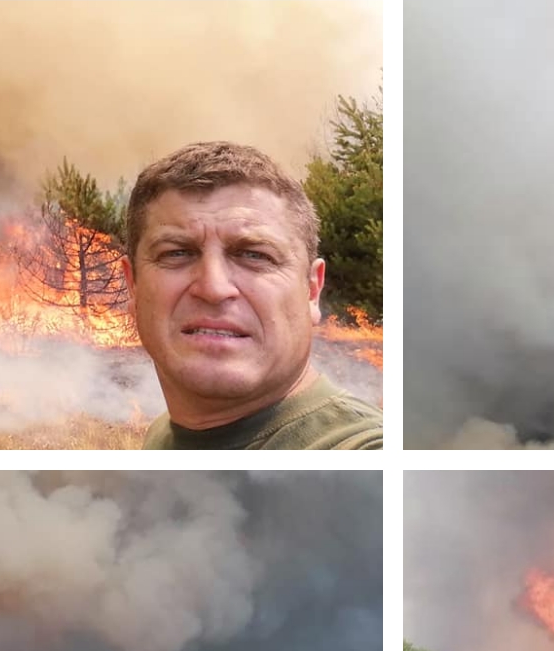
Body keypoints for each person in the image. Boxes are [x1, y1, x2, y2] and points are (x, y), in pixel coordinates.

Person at [125, 141, 382, 450]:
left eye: (254, 255)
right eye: (177, 253)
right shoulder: (163, 436)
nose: (214, 288)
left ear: (312, 290)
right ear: (133, 287)